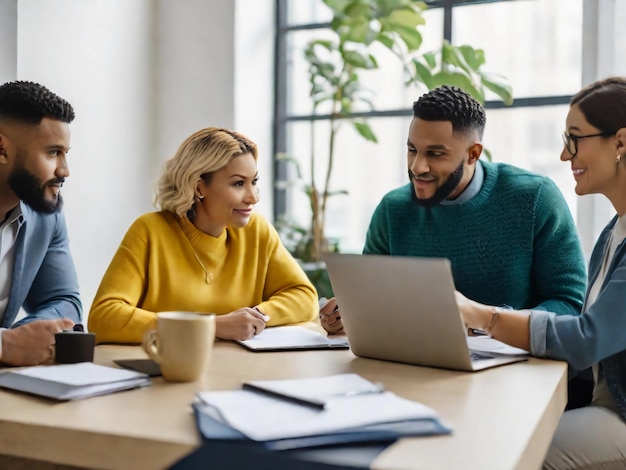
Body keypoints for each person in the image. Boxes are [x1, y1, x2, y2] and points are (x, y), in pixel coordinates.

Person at [320, 85, 587, 335]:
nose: (417, 167)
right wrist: (347, 317)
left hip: (517, 370)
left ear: (473, 154)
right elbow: (372, 300)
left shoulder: (535, 198)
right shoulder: (392, 209)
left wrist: (486, 323)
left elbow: (569, 303)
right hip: (412, 367)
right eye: (412, 150)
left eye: (435, 154)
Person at [457, 76, 626, 469]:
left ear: (620, 142)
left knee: (514, 452)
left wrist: (479, 314)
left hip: (619, 414)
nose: (565, 156)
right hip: (604, 402)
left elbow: (587, 339)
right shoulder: (613, 231)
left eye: (575, 139)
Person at [88, 127, 318, 344]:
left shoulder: (257, 231)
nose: (253, 197)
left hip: (241, 369)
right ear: (199, 188)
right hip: (169, 372)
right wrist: (211, 326)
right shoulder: (149, 231)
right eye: (238, 183)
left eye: (254, 182)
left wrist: (255, 316)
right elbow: (104, 317)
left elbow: (304, 297)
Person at [0, 80, 80, 365]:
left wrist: (26, 337)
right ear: (2, 148)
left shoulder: (47, 214)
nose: (64, 170)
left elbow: (64, 302)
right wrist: (4, 345)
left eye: (65, 153)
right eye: (52, 152)